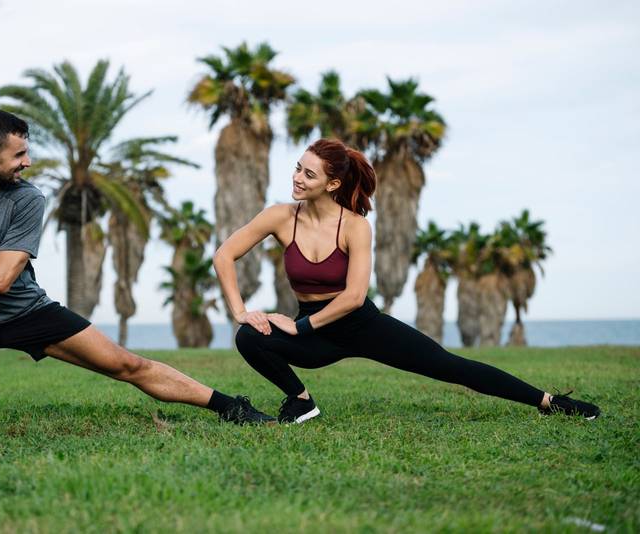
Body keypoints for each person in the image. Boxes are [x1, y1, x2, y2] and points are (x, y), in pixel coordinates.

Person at [0, 109, 273, 430]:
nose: (27, 163)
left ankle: (230, 408)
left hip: (24, 313)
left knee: (126, 365)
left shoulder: (26, 199)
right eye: (19, 155)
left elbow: (1, 279)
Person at [213, 138, 601, 424]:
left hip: (359, 324)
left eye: (308, 173)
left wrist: (298, 327)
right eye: (298, 167)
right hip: (315, 331)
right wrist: (242, 312)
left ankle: (550, 402)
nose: (297, 178)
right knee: (249, 337)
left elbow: (352, 297)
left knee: (449, 365)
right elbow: (224, 255)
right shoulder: (280, 216)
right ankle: (300, 400)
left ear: (332, 184)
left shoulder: (356, 227)